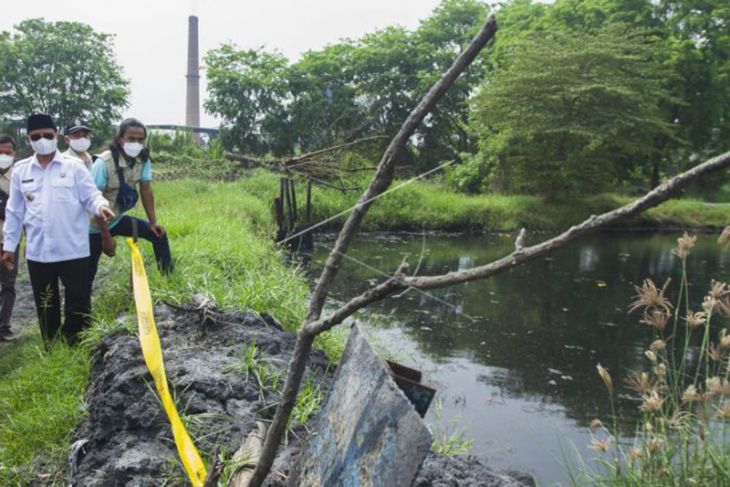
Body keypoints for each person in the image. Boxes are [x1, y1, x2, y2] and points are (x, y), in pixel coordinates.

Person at [1, 114, 114, 344]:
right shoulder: (21, 171)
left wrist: (102, 206)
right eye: (36, 136)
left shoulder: (74, 167)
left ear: (56, 136)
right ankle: (52, 348)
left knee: (78, 304)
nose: (42, 140)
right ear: (29, 139)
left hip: (73, 250)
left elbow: (91, 195)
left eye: (47, 135)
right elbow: (14, 212)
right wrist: (9, 247)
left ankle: (74, 347)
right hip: (39, 253)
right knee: (46, 305)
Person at [89, 118, 172, 289]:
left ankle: (169, 282)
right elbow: (92, 202)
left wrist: (153, 222)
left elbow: (146, 189)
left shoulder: (143, 160)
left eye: (140, 139)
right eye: (131, 139)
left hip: (116, 219)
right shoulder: (103, 163)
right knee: (87, 272)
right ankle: (82, 306)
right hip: (92, 225)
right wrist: (106, 239)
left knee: (159, 235)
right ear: (120, 139)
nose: (136, 143)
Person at [0, 135, 18, 341]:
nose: (3, 156)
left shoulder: (18, 176)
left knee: (9, 284)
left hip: (10, 241)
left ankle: (4, 326)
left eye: (7, 153)